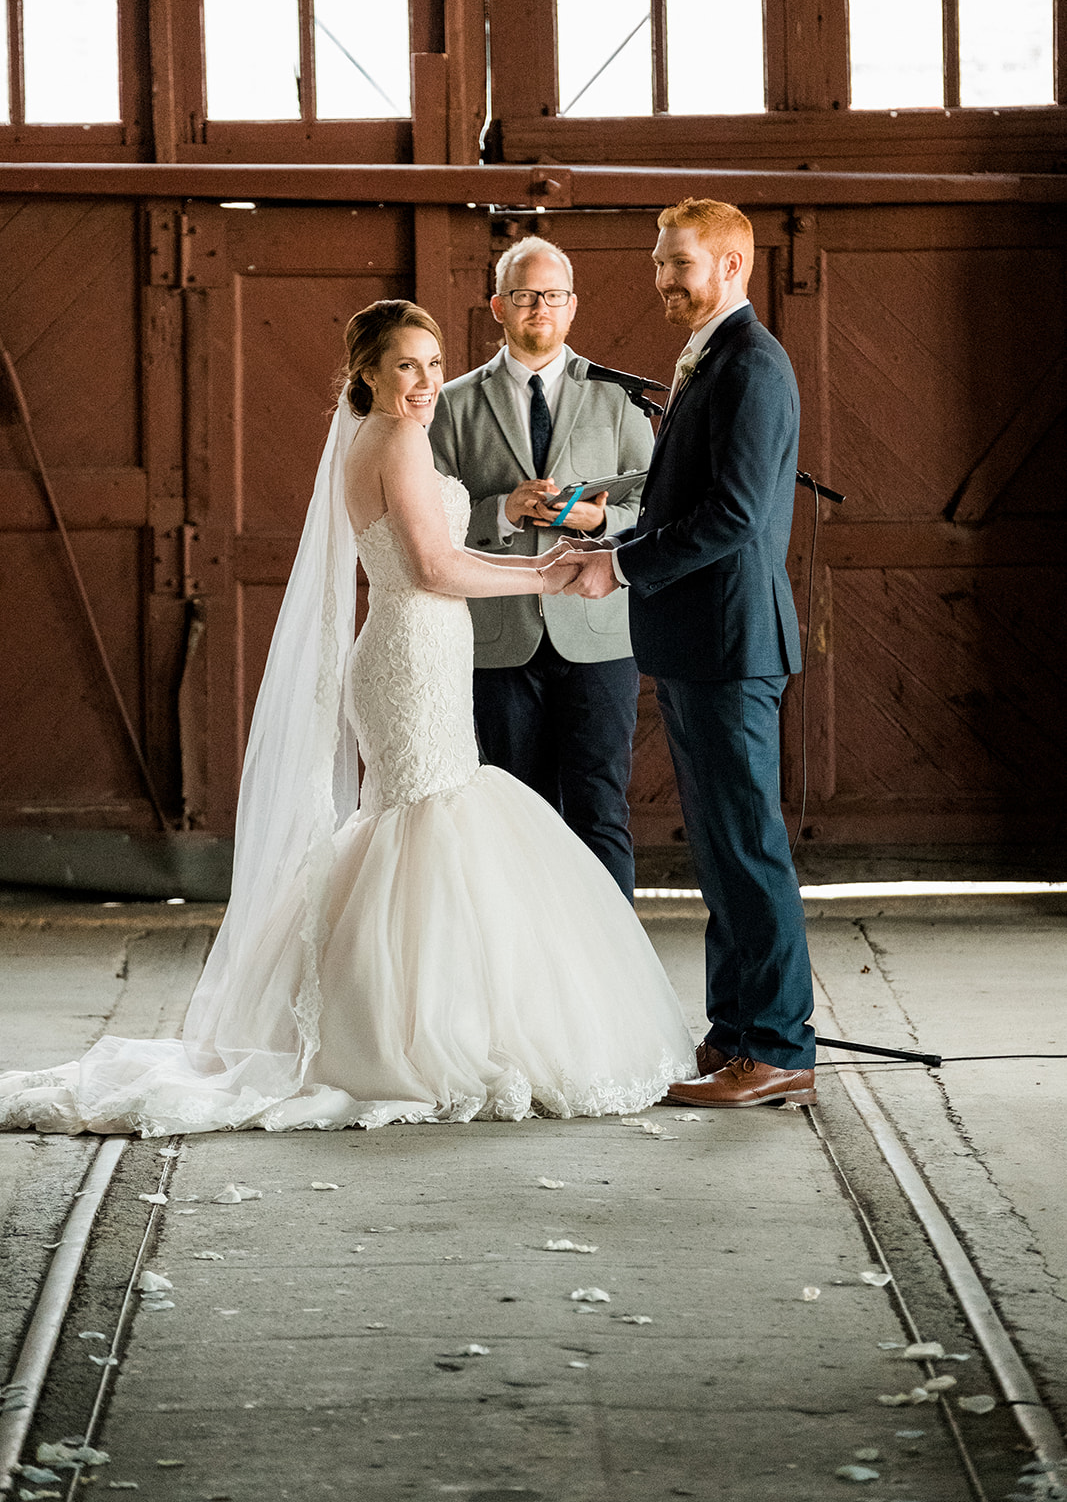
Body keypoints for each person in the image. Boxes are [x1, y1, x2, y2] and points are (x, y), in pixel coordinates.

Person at [0, 300, 693, 1136]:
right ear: (365, 371)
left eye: (435, 364)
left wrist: (542, 561)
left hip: (420, 644)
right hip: (410, 647)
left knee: (415, 825)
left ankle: (393, 1016)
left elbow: (437, 557)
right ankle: (399, 1034)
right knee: (426, 821)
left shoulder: (380, 437)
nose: (427, 382)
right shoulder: (396, 441)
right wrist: (549, 577)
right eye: (406, 366)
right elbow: (434, 568)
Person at [562, 200, 817, 1110]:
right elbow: (683, 495)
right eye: (659, 263)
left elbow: (736, 517)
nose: (663, 279)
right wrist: (604, 537)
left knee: (748, 848)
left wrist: (618, 565)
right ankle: (733, 1034)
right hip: (695, 639)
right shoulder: (714, 356)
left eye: (679, 264)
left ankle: (781, 1046)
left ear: (733, 263)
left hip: (731, 639)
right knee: (718, 847)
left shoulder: (751, 363)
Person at [429, 237, 652, 899]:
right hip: (499, 638)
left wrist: (600, 523)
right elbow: (424, 518)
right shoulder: (452, 402)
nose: (538, 307)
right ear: (497, 305)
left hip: (597, 631)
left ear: (572, 306)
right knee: (513, 811)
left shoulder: (617, 397)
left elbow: (656, 504)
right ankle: (526, 972)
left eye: (551, 295)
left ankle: (613, 972)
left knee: (599, 807)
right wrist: (501, 512)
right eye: (524, 295)